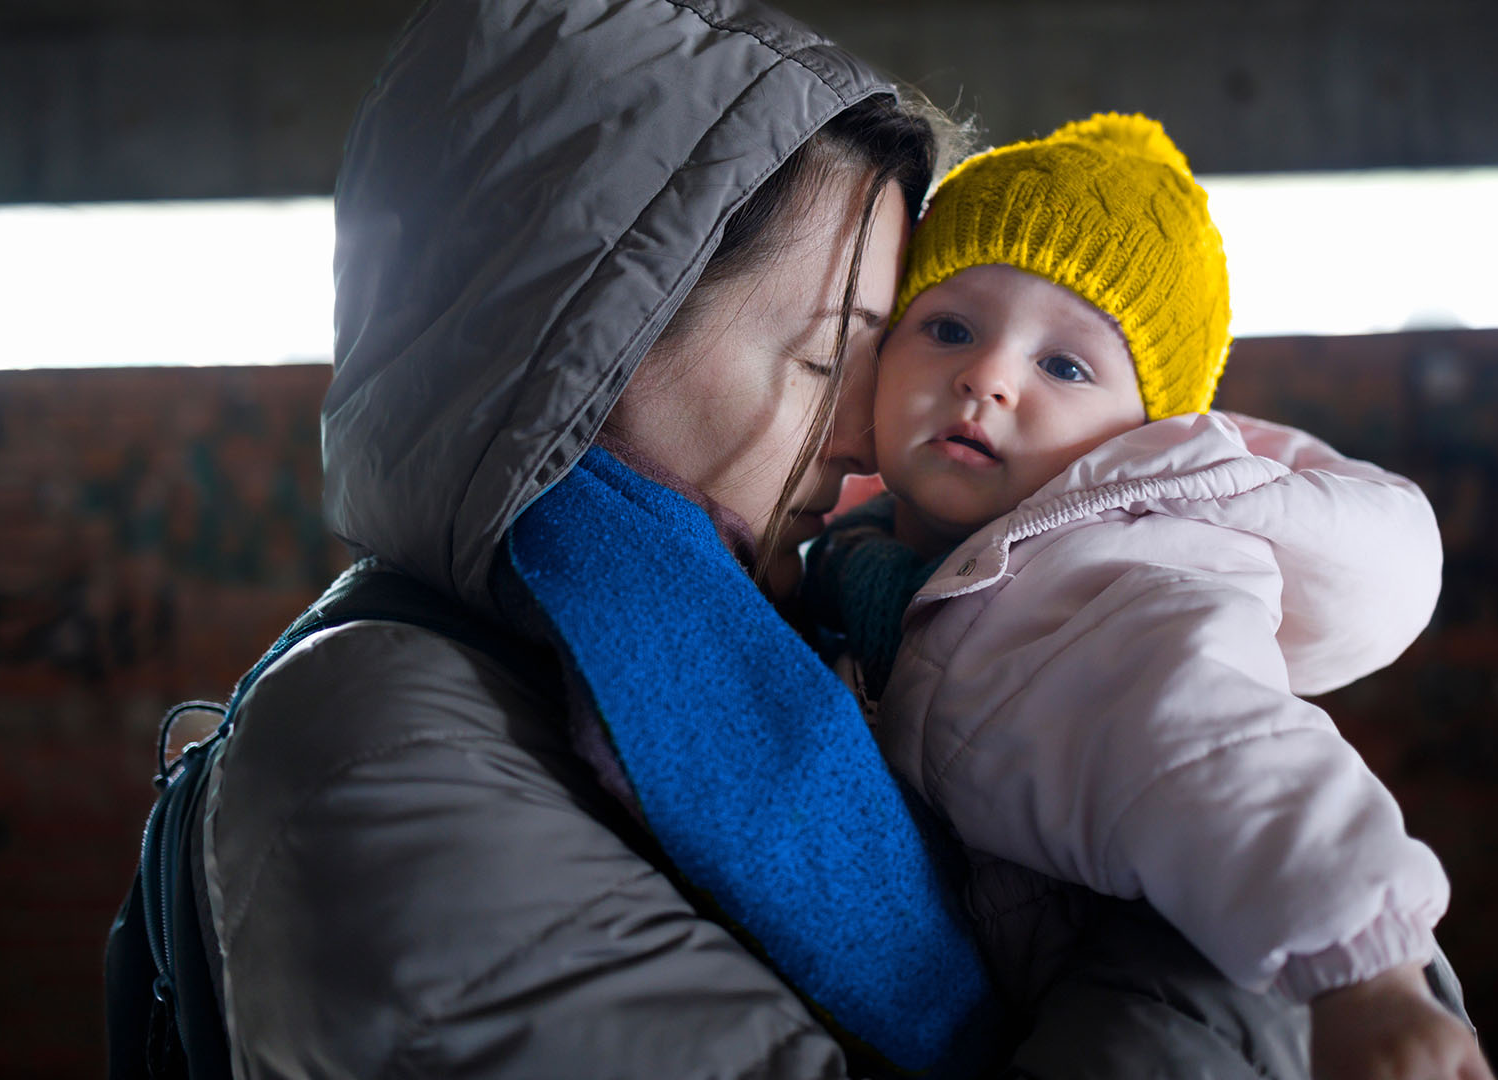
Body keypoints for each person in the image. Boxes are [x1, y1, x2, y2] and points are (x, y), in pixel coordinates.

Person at [194, 1, 1012, 1077]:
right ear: (589, 342)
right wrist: (1204, 927)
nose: (863, 441)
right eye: (824, 362)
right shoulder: (386, 754)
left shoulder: (714, 664)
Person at [802, 114, 1497, 1080]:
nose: (988, 377)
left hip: (1241, 964)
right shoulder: (852, 566)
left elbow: (1231, 751)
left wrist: (1366, 983)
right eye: (949, 328)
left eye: (1065, 365)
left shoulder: (1115, 584)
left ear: (1136, 441)